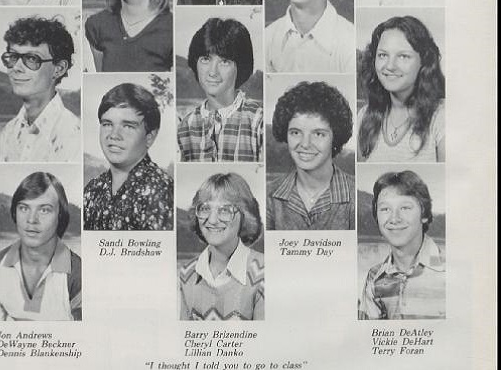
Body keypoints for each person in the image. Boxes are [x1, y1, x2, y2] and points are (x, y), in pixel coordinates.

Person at [83, 83, 173, 230]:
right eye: (107, 124)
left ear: (149, 137)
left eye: (128, 126)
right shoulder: (92, 190)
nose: (114, 135)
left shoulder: (161, 192)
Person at [358, 170, 445, 320]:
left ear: (424, 215)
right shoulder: (374, 277)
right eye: (385, 209)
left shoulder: (450, 271)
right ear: (377, 218)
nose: (394, 218)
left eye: (405, 208)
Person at [267, 81, 354, 230]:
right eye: (296, 132)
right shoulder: (269, 196)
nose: (305, 144)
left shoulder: (354, 197)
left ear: (335, 137)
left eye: (318, 134)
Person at [357, 15, 445, 162]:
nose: (390, 66)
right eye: (383, 55)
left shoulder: (441, 117)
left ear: (424, 62)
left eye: (403, 56)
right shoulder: (364, 116)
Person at [0, 172, 81, 321]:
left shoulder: (77, 274)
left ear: (60, 216)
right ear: (15, 212)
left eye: (44, 210)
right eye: (24, 208)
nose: (31, 219)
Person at [179, 173, 264, 321]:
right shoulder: (185, 274)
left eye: (225, 210)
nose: (212, 220)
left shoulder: (263, 273)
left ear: (245, 216)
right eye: (205, 209)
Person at [0, 16, 81, 162]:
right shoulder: (8, 132)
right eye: (13, 57)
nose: (16, 68)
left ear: (59, 69)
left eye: (31, 59)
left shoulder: (74, 136)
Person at [177, 18, 263, 161]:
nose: (212, 72)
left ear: (240, 67)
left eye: (224, 61)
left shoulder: (257, 121)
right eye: (205, 59)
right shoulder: (186, 126)